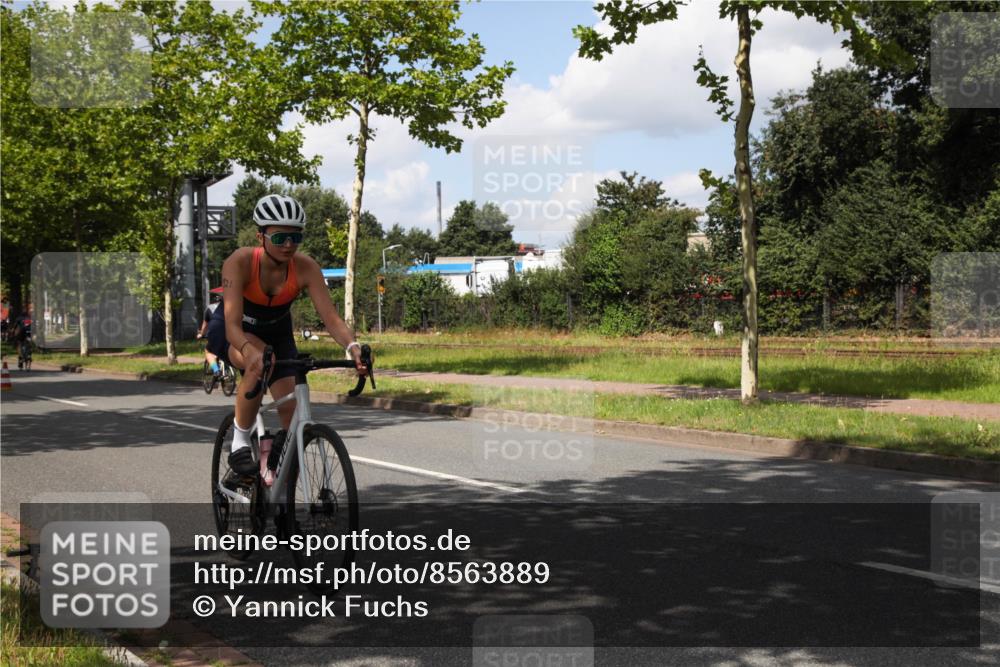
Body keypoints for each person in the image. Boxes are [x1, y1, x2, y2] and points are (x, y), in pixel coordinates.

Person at [206, 194, 365, 475]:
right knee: (258, 364)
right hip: (236, 330)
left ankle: (276, 469)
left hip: (277, 332)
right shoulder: (239, 262)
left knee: (291, 413)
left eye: (296, 238)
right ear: (261, 237)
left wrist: (352, 346)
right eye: (280, 238)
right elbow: (232, 325)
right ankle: (240, 442)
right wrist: (248, 349)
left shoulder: (306, 267)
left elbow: (330, 317)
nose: (289, 245)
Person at [197, 288, 223, 375]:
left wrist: (201, 334)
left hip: (215, 335)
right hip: (231, 335)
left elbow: (205, 326)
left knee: (208, 351)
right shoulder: (233, 305)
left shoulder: (210, 308)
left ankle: (216, 370)